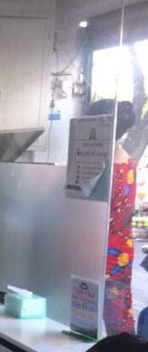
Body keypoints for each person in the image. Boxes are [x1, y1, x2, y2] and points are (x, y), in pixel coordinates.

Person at [88, 100, 138, 335]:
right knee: (118, 315)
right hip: (121, 249)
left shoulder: (102, 166)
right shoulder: (128, 160)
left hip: (103, 250)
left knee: (97, 314)